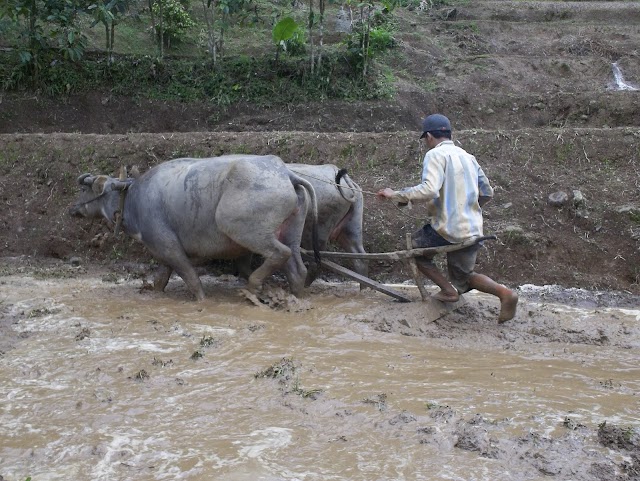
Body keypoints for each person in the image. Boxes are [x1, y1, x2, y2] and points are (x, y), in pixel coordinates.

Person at [376, 113, 518, 323]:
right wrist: (470, 210)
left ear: (429, 137)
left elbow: (429, 189)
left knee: (415, 250)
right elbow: (487, 192)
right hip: (472, 228)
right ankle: (505, 294)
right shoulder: (468, 157)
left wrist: (396, 194)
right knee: (464, 276)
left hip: (447, 229)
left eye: (425, 139)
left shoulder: (435, 155)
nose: (426, 143)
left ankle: (448, 291)